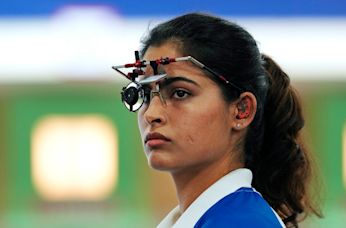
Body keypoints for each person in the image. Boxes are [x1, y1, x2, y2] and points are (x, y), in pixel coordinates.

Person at [113, 13, 322, 227]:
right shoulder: (207, 217)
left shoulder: (243, 222)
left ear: (241, 110)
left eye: (180, 93)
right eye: (145, 95)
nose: (151, 114)